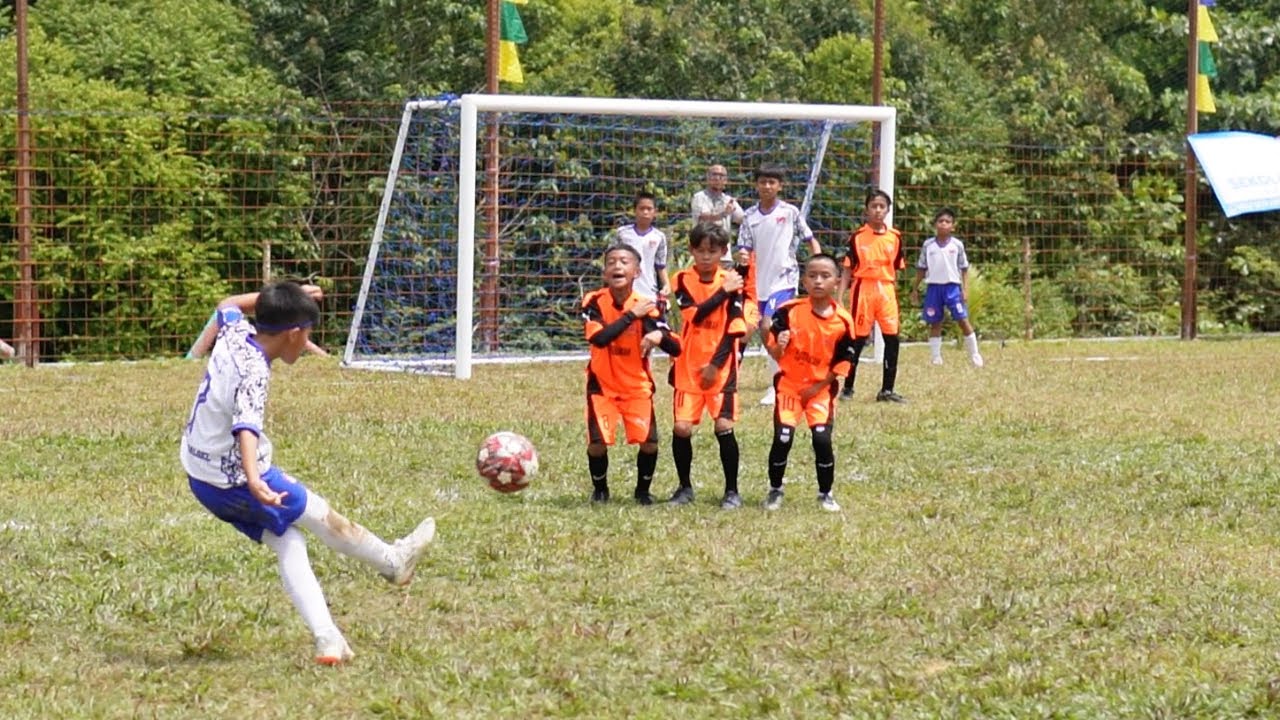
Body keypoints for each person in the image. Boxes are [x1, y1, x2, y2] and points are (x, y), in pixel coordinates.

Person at [180, 281, 437, 666]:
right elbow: (246, 427)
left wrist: (287, 297)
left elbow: (228, 302)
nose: (306, 344)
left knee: (289, 542)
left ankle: (329, 640)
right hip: (235, 479)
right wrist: (255, 480)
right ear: (294, 333)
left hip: (201, 476)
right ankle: (392, 562)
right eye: (307, 334)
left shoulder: (235, 332)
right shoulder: (254, 370)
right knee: (321, 515)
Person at [581, 244, 682, 505]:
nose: (617, 266)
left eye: (624, 262)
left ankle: (642, 491)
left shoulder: (645, 306)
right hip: (602, 386)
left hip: (636, 386)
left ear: (636, 272)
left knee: (649, 443)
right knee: (597, 443)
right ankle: (600, 490)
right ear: (605, 273)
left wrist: (659, 335)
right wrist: (630, 316)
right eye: (611, 262)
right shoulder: (594, 301)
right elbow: (599, 339)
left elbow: (676, 347)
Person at [763, 254, 855, 512]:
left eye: (825, 276)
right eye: (812, 276)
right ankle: (775, 489)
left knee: (822, 440)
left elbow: (842, 363)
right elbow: (774, 349)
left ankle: (826, 493)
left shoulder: (843, 322)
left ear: (837, 281)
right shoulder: (789, 311)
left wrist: (816, 387)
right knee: (783, 438)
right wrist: (779, 347)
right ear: (804, 281)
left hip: (819, 390)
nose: (818, 281)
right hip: (789, 387)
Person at [666, 223, 748, 510]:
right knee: (681, 427)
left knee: (723, 425)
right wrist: (723, 292)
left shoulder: (733, 281)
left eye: (712, 251)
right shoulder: (681, 279)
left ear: (722, 252)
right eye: (700, 251)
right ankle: (684, 487)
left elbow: (733, 328)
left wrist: (715, 364)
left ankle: (732, 491)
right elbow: (694, 316)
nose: (705, 256)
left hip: (721, 367)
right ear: (691, 250)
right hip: (688, 366)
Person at [736, 163, 822, 406]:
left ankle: (777, 385)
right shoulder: (749, 216)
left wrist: (818, 264)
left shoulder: (790, 212)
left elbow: (810, 239)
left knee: (768, 326)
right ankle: (784, 375)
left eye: (772, 182)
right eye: (763, 182)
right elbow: (744, 248)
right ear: (756, 185)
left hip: (784, 280)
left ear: (780, 186)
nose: (767, 186)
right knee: (752, 332)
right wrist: (742, 256)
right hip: (758, 284)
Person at [839, 188, 907, 403]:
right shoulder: (858, 237)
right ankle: (848, 387)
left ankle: (887, 390)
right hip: (863, 289)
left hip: (886, 290)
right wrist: (840, 297)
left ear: (888, 210)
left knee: (892, 338)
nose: (878, 210)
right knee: (857, 339)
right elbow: (847, 269)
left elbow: (896, 267)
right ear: (867, 209)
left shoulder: (895, 237)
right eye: (874, 206)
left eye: (882, 206)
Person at [910, 207, 984, 367]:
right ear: (935, 224)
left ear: (953, 226)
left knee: (962, 319)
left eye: (947, 221)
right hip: (934, 288)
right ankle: (936, 357)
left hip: (952, 288)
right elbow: (921, 268)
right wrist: (915, 288)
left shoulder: (957, 245)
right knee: (935, 322)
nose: (944, 224)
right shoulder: (928, 245)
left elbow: (964, 268)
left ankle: (974, 354)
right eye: (941, 221)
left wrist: (965, 289)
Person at [613, 191, 670, 303]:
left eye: (649, 209)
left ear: (655, 212)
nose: (645, 212)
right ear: (635, 210)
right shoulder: (622, 234)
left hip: (649, 291)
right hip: (624, 291)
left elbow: (660, 266)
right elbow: (611, 260)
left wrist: (666, 285)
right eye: (642, 208)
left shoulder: (659, 237)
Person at [690, 164, 745, 264]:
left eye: (721, 175)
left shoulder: (728, 199)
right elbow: (705, 217)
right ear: (708, 178)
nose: (718, 178)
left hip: (724, 256)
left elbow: (743, 219)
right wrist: (724, 213)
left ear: (726, 180)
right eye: (714, 174)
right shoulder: (699, 197)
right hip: (703, 255)